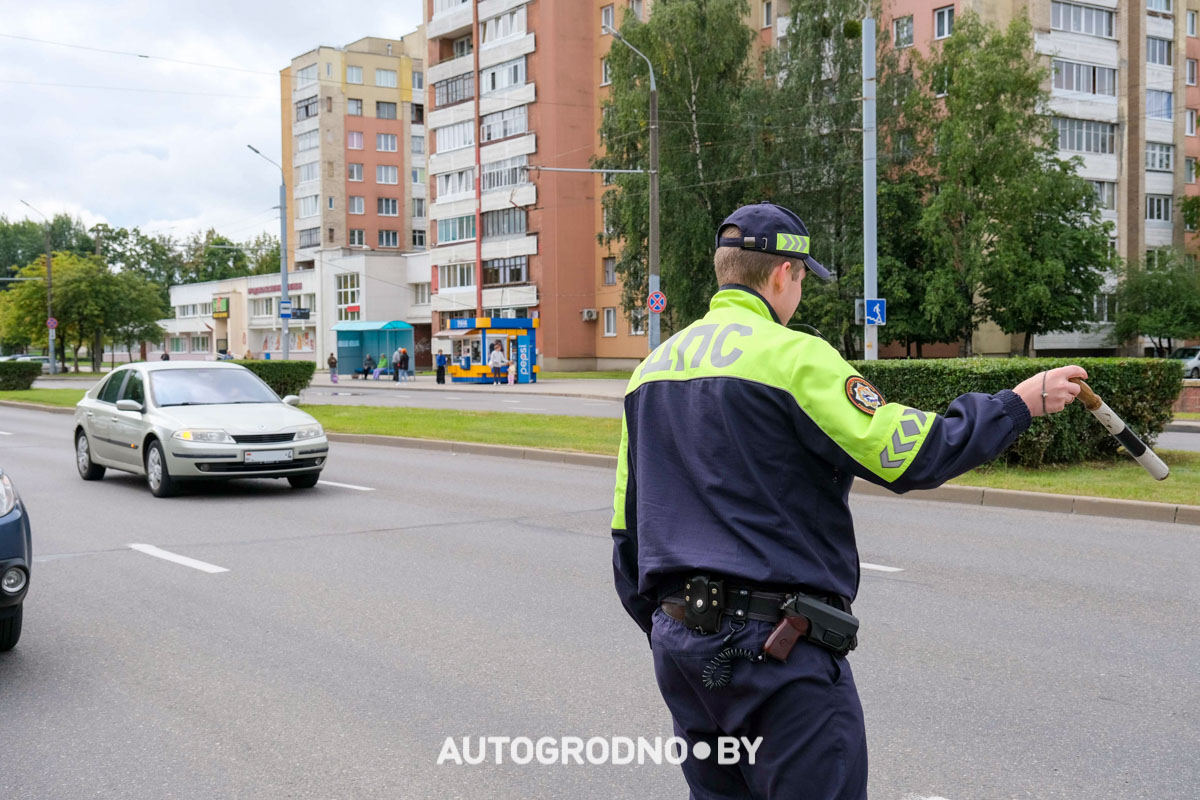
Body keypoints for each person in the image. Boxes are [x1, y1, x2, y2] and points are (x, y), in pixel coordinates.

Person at [610, 202, 1087, 800]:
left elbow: (627, 531)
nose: (799, 291)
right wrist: (1017, 405)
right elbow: (912, 453)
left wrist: (669, 628)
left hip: (683, 649)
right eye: (802, 278)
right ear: (783, 274)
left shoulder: (650, 371)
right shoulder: (792, 356)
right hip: (776, 654)